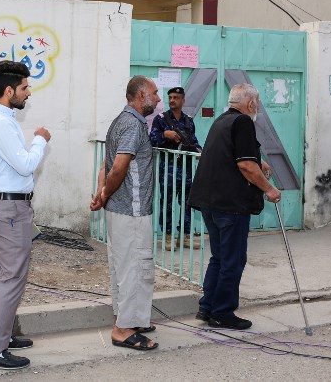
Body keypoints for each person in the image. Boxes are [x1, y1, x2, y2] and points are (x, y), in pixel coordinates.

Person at [0, 60, 51, 370]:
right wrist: (41, 140)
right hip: (10, 209)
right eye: (24, 88)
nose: (28, 93)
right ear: (9, 91)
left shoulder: (3, 119)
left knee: (3, 276)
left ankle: (2, 337)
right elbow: (25, 164)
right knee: (11, 278)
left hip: (11, 207)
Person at [188, 83, 280, 330]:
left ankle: (207, 307)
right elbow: (245, 166)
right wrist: (269, 189)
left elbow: (233, 154)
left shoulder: (222, 120)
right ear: (250, 104)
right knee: (233, 260)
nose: (257, 107)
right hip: (229, 204)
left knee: (219, 257)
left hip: (211, 202)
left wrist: (256, 159)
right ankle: (223, 312)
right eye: (257, 103)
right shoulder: (243, 122)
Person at [90, 76, 160, 352]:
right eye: (154, 94)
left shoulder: (122, 120)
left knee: (126, 267)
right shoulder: (132, 124)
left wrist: (100, 192)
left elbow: (105, 163)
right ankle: (122, 330)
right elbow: (117, 167)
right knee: (134, 267)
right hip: (131, 212)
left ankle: (131, 319)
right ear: (141, 96)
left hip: (121, 211)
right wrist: (105, 193)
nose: (158, 99)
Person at [150, 86, 202, 251]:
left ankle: (185, 236)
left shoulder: (188, 120)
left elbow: (193, 142)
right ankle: (167, 237)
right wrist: (165, 135)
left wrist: (201, 151)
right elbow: (151, 140)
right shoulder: (161, 119)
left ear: (183, 100)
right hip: (168, 169)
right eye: (170, 97)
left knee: (188, 203)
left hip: (186, 168)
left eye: (176, 98)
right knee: (167, 204)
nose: (172, 100)